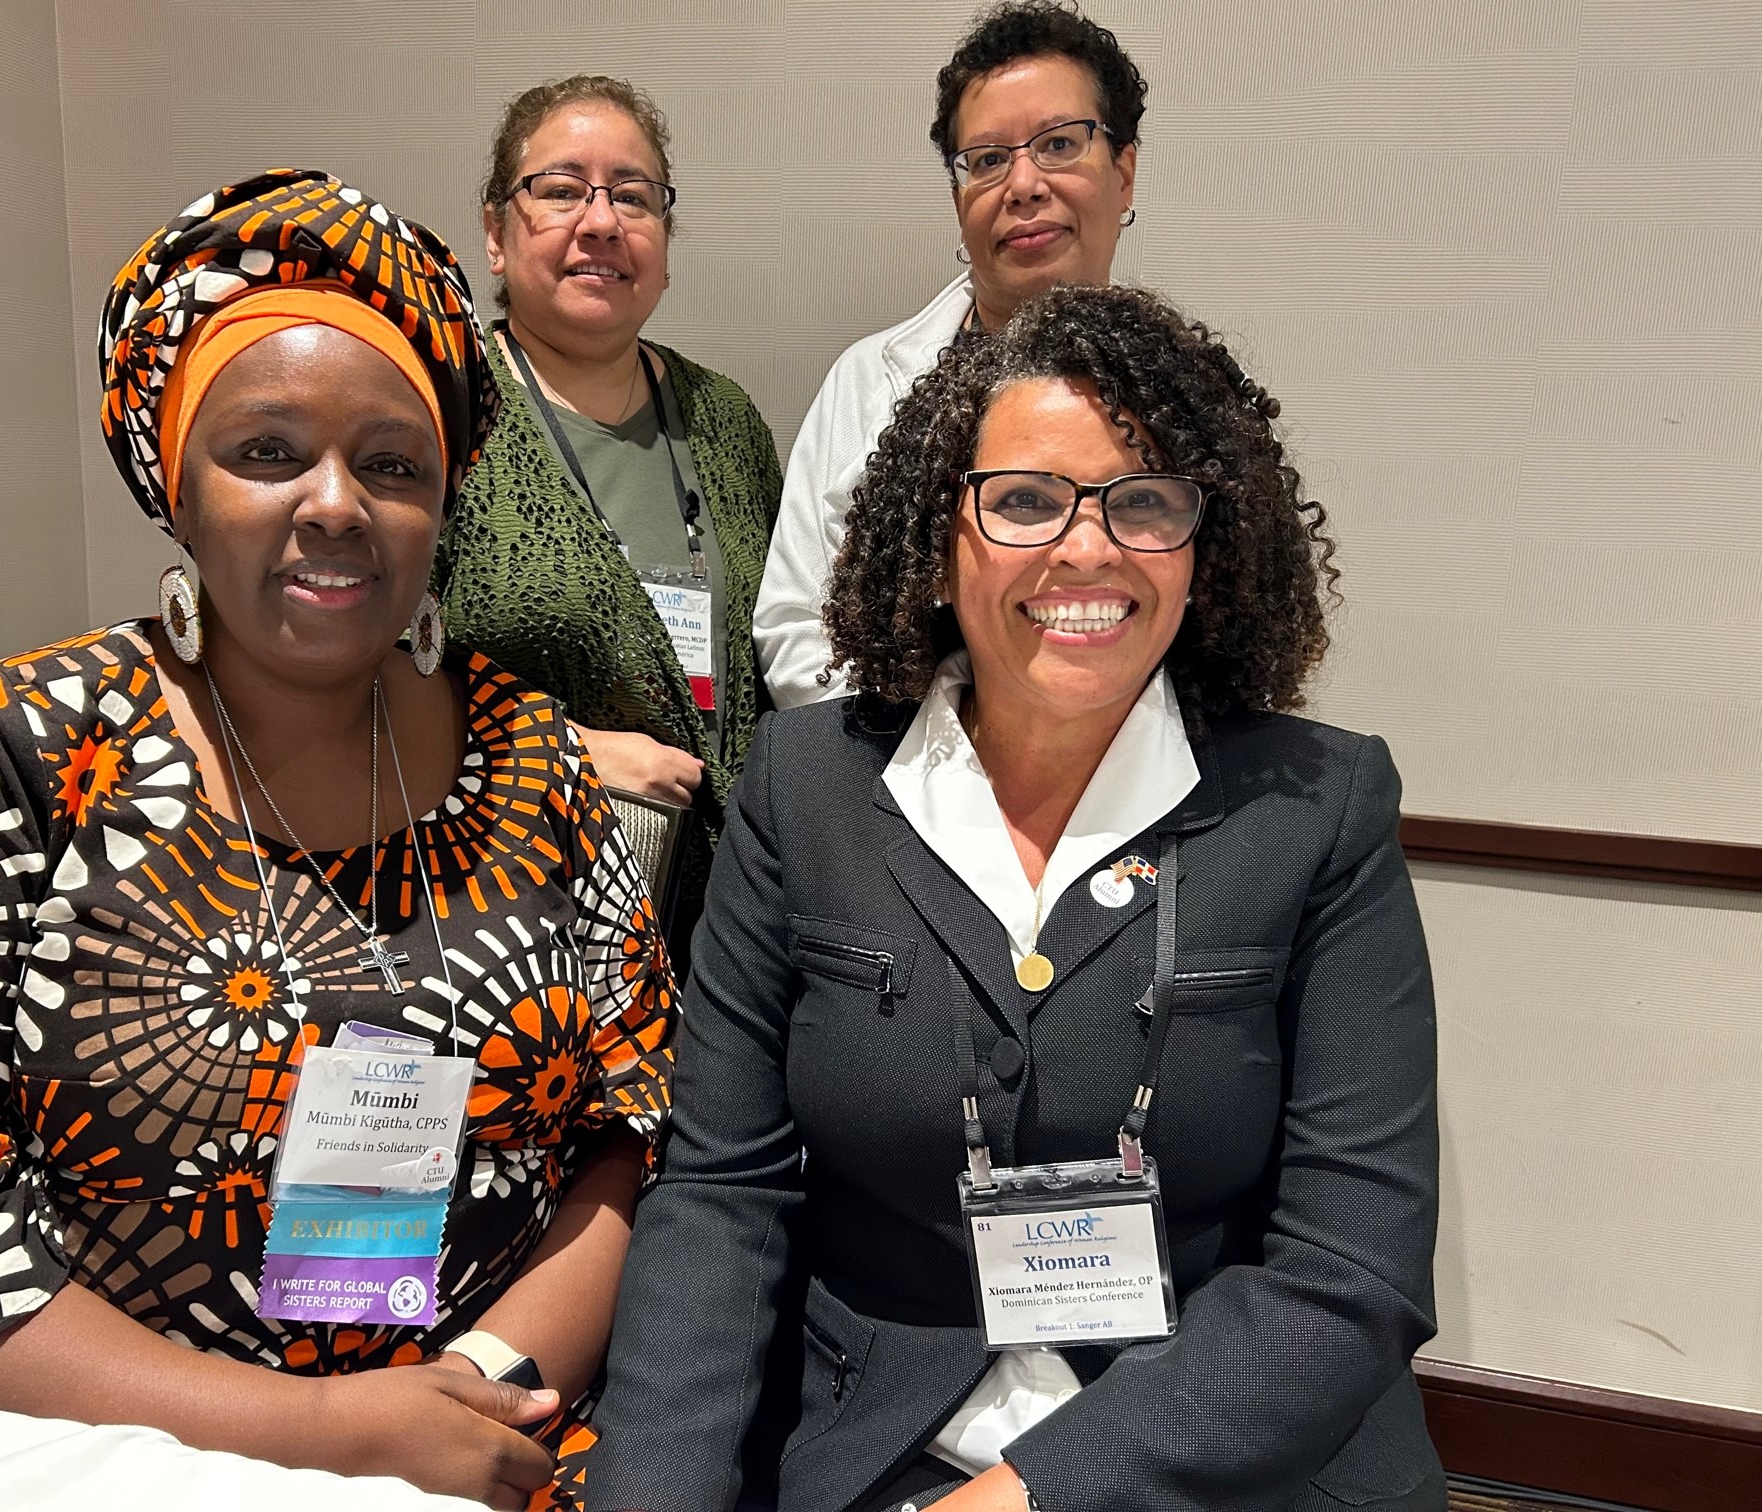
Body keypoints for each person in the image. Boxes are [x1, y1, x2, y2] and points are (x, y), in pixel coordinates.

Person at [0, 170, 675, 1511]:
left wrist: (474, 1384)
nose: (338, 502)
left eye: (393, 464)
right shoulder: (11, 752)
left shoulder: (531, 760)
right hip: (120, 1460)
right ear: (175, 485)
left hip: (505, 1433)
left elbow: (633, 1136)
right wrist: (318, 1433)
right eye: (268, 451)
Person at [592, 284, 1443, 1511]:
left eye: (1144, 502)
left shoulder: (1316, 806)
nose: (1088, 549)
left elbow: (1349, 1266)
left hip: (1229, 1452)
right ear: (939, 537)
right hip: (870, 1437)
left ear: (1206, 549)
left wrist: (1022, 1499)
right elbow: (724, 1198)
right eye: (1027, 501)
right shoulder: (808, 786)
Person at [440, 75, 783, 957]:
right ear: (494, 232)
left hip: (726, 924)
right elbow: (353, 676)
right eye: (560, 191)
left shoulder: (726, 420)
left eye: (633, 197)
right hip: (502, 912)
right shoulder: (439, 412)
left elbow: (781, 653)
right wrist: (561, 752)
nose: (601, 222)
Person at [756, 1, 1144, 709]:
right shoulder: (867, 383)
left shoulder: (1186, 402)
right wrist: (939, 768)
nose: (1023, 185)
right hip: (893, 782)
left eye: (1059, 144)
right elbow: (796, 629)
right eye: (989, 160)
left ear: (1123, 172)